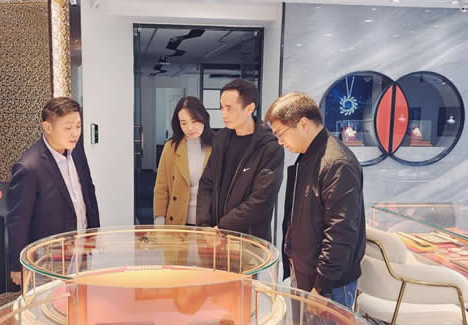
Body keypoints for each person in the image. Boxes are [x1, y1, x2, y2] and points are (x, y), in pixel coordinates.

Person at [264, 91, 365, 309]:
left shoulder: (337, 163)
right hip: (306, 273)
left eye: (281, 134)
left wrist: (321, 288)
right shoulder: (308, 155)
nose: (280, 142)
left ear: (303, 124)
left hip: (328, 285)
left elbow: (340, 232)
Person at [7, 97, 100, 286]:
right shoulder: (29, 167)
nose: (75, 133)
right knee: (50, 301)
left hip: (81, 248)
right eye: (68, 128)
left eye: (78, 126)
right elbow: (18, 220)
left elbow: (88, 192)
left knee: (79, 297)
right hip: (48, 256)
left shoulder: (77, 151)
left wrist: (94, 234)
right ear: (47, 127)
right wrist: (18, 265)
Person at [196, 79, 284, 242]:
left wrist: (223, 227)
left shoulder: (270, 146)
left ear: (249, 108)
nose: (223, 114)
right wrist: (205, 225)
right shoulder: (221, 139)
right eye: (221, 107)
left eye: (229, 108)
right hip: (214, 238)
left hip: (249, 239)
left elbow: (261, 199)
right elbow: (207, 183)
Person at [153, 96, 213, 226]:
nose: (190, 128)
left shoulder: (217, 146)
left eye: (194, 121)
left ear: (203, 118)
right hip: (177, 220)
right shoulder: (171, 147)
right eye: (184, 123)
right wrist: (159, 219)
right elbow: (161, 187)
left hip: (209, 222)